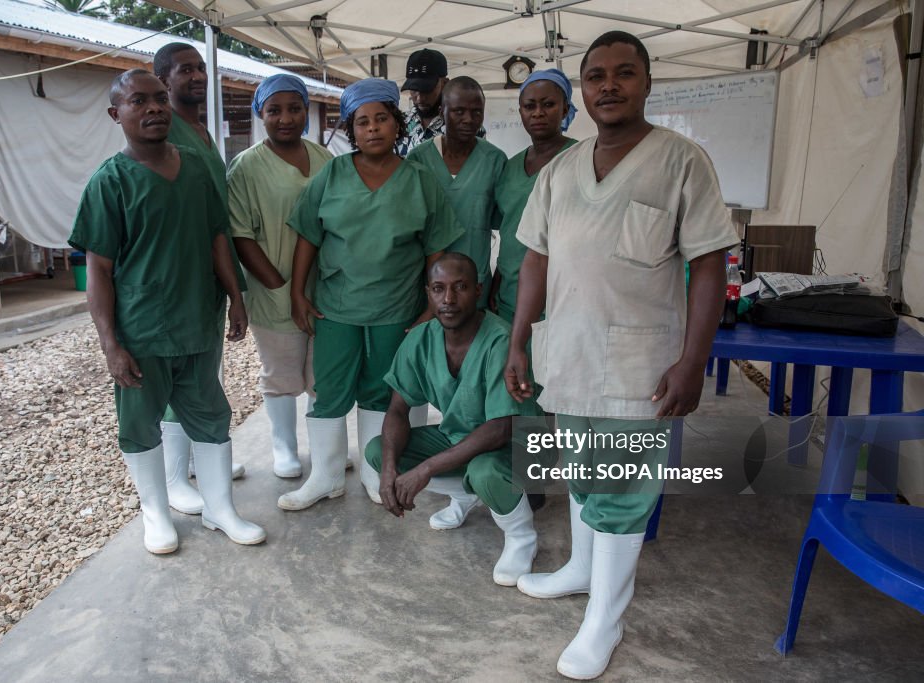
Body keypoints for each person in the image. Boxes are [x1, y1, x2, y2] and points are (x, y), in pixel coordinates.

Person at [505, 32, 738, 680]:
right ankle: (581, 571)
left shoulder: (681, 161)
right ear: (584, 89)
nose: (609, 85)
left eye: (624, 73)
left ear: (646, 82)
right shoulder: (559, 171)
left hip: (639, 364)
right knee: (582, 473)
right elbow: (535, 261)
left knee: (622, 491)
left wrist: (694, 360)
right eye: (597, 75)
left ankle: (604, 621)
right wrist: (520, 339)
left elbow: (711, 266)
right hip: (570, 353)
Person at [70, 69, 266, 554]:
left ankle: (220, 509)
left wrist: (236, 295)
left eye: (159, 99)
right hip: (141, 329)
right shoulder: (110, 182)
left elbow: (217, 235)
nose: (154, 108)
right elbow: (98, 269)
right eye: (139, 101)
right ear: (117, 114)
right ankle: (155, 514)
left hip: (197, 319)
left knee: (211, 415)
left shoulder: (197, 167)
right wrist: (110, 342)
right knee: (140, 422)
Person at [281, 78, 464, 512]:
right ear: (351, 130)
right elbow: (308, 236)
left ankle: (371, 471)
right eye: (362, 122)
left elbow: (436, 251)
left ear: (397, 125)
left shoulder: (419, 180)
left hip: (396, 308)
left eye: (382, 118)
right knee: (328, 388)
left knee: (382, 392)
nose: (373, 128)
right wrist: (297, 295)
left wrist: (430, 307)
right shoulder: (333, 174)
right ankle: (324, 476)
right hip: (336, 306)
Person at [366, 253, 541, 585]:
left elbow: (501, 428)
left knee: (484, 469)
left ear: (478, 290)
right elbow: (398, 410)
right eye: (438, 288)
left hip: (522, 448)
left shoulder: (500, 339)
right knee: (379, 451)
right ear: (428, 293)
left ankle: (521, 536)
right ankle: (465, 494)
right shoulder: (421, 339)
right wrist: (389, 467)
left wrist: (426, 469)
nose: (448, 299)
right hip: (461, 438)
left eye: (460, 287)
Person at [152, 42, 244, 516]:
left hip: (211, 274)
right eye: (185, 69)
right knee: (178, 375)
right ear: (163, 80)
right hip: (179, 277)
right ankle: (172, 480)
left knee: (204, 373)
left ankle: (198, 462)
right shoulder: (164, 134)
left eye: (201, 68)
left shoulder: (202, 133)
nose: (197, 76)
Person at [228, 74, 333, 479]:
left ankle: (323, 447)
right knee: (281, 373)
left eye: (294, 108)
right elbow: (239, 232)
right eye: (274, 110)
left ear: (306, 111)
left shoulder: (324, 158)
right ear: (261, 114)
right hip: (275, 288)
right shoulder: (247, 166)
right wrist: (279, 285)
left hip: (327, 287)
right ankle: (284, 448)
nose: (285, 118)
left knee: (321, 374)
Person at [407, 77, 506, 310]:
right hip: (428, 284)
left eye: (476, 112)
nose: (468, 119)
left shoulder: (494, 161)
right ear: (442, 111)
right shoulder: (419, 159)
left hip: (475, 284)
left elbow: (508, 225)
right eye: (459, 111)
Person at [490, 69, 578, 324]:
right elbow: (510, 231)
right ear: (520, 112)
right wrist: (499, 279)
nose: (538, 113)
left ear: (564, 110)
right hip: (509, 298)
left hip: (560, 301)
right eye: (530, 106)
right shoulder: (510, 167)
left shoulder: (580, 159)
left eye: (548, 105)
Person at [397, 48, 484, 157]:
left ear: (445, 83)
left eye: (426, 89)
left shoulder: (466, 126)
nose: (419, 98)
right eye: (414, 90)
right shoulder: (400, 123)